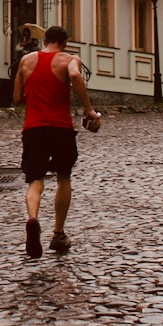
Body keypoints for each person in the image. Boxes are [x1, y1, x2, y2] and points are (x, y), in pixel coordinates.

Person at [12, 24, 100, 257]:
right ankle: (58, 233)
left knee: (35, 179)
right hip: (60, 127)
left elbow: (17, 97)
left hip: (33, 128)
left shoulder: (26, 61)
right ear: (65, 42)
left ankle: (32, 219)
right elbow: (74, 75)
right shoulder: (70, 59)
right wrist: (89, 109)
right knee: (63, 177)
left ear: (45, 40)